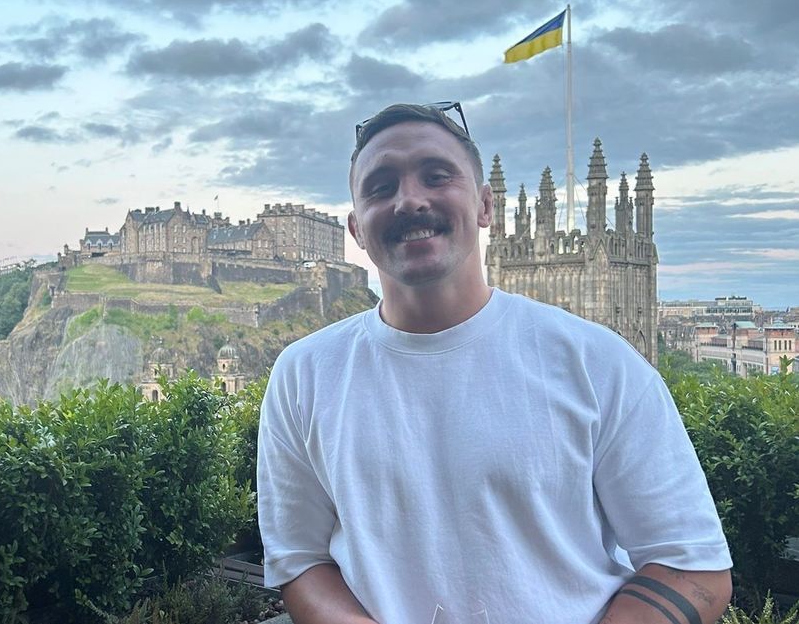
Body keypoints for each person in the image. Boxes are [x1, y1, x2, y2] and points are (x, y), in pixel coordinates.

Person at [257, 102, 732, 624]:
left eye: (437, 176)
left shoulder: (599, 363)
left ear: (486, 205)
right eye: (381, 186)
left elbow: (693, 566)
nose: (410, 199)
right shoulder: (303, 374)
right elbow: (301, 561)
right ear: (355, 228)